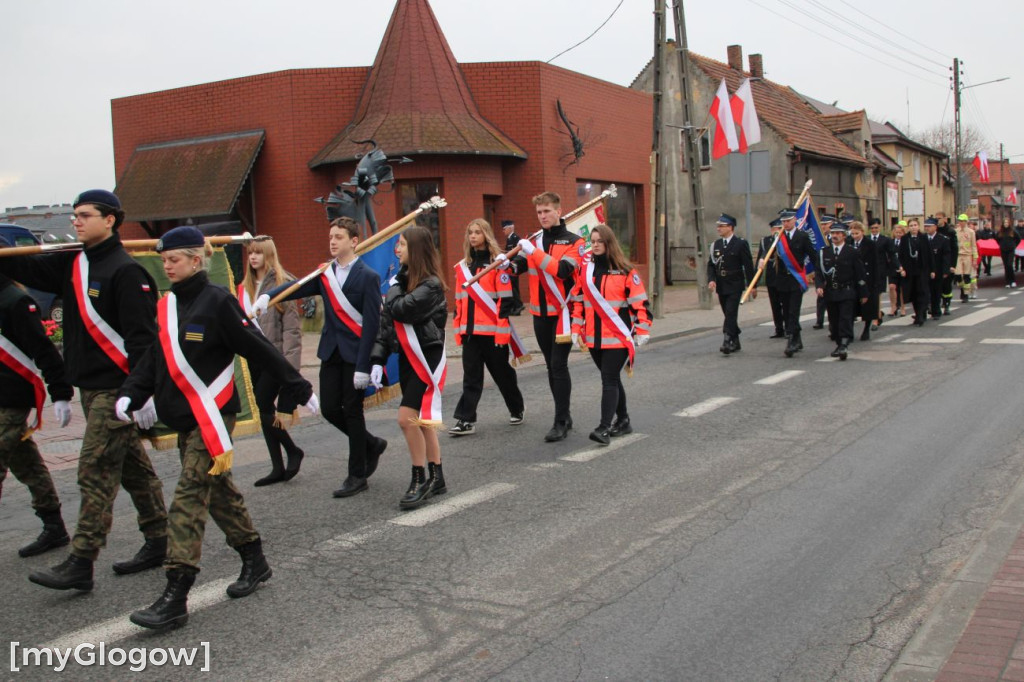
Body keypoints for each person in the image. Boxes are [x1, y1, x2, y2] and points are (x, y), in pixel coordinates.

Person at [116, 226, 317, 630]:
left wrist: (296, 385)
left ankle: (176, 593)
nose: (166, 266)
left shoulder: (218, 301)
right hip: (184, 417)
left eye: (174, 259)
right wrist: (132, 392)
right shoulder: (167, 307)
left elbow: (257, 346)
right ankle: (254, 558)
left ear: (196, 260)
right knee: (219, 492)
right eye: (164, 260)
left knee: (189, 497)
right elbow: (155, 358)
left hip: (214, 416)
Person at [4, 190, 168, 593]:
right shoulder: (74, 262)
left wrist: (142, 392)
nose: (75, 221)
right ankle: (160, 538)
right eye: (74, 215)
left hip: (117, 390)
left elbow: (144, 339)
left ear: (110, 220)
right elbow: (25, 267)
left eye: (84, 215)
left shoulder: (126, 272)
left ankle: (81, 560)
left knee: (94, 470)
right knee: (133, 470)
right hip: (90, 389)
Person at [256, 216, 388, 498]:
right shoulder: (325, 273)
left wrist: (364, 365)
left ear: (354, 241)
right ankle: (371, 444)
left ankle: (357, 475)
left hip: (355, 355)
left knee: (352, 411)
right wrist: (270, 297)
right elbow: (298, 287)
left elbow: (371, 325)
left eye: (339, 237)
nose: (332, 242)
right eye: (331, 237)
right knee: (329, 409)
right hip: (331, 351)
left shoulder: (368, 276)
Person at [370, 226, 448, 510]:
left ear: (415, 249)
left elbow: (401, 309)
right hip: (407, 357)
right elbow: (386, 324)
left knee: (406, 419)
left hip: (426, 358)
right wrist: (377, 358)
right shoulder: (403, 282)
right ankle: (437, 475)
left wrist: (392, 288)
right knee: (421, 421)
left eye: (402, 244)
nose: (397, 250)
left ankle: (419, 477)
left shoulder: (431, 285)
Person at [0, 269, 74, 558]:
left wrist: (61, 391)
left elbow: (44, 350)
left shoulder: (15, 301)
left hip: (11, 396)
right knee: (26, 462)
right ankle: (54, 526)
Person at [508, 192, 584, 442]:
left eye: (547, 211)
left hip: (564, 313)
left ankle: (560, 421)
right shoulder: (534, 240)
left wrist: (534, 252)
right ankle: (565, 415)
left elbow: (562, 271)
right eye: (539, 212)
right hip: (539, 314)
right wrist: (507, 264)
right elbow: (519, 267)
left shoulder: (575, 242)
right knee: (552, 366)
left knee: (559, 365)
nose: (542, 216)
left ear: (558, 212)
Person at [570, 224, 651, 444]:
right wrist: (575, 329)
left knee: (608, 380)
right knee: (612, 378)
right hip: (593, 338)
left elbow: (640, 303)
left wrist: (643, 329)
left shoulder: (625, 270)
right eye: (593, 241)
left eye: (600, 241)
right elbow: (578, 302)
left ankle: (603, 428)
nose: (595, 245)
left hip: (617, 337)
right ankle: (623, 420)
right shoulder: (586, 271)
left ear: (609, 243)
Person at [450, 218, 525, 436]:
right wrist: (459, 329)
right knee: (471, 377)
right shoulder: (462, 267)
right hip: (470, 333)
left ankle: (516, 408)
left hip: (493, 333)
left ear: (486, 235)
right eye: (470, 232)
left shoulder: (497, 265)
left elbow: (505, 301)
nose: (473, 236)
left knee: (502, 374)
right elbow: (459, 302)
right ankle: (466, 419)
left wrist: (502, 334)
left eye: (477, 232)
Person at [238, 239, 304, 486]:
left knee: (262, 403)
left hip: (275, 357)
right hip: (253, 357)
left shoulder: (282, 284)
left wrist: (290, 367)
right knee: (264, 409)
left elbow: (292, 330)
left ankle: (293, 451)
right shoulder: (243, 287)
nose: (253, 257)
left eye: (259, 253)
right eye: (250, 253)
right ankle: (277, 466)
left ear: (269, 255)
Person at [815, 222, 867, 360]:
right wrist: (819, 286)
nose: (835, 236)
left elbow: (860, 273)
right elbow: (819, 272)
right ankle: (839, 343)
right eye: (833, 233)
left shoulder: (852, 252)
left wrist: (863, 292)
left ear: (844, 236)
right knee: (834, 320)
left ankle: (844, 343)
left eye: (838, 233)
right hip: (831, 291)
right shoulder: (824, 252)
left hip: (847, 290)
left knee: (845, 318)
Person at [706, 214, 755, 354]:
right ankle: (736, 340)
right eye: (718, 226)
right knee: (728, 314)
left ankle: (727, 340)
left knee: (731, 312)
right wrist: (711, 279)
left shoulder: (740, 243)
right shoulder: (716, 245)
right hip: (722, 284)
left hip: (735, 283)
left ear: (730, 227)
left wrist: (752, 285)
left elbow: (748, 265)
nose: (718, 229)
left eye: (722, 226)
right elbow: (711, 265)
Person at [772, 208, 817, 357]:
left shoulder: (802, 236)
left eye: (788, 221)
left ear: (795, 220)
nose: (785, 224)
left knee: (793, 311)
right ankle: (797, 339)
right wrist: (762, 260)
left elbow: (813, 255)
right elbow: (769, 253)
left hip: (796, 279)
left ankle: (791, 340)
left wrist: (818, 275)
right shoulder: (779, 237)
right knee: (786, 311)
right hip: (782, 280)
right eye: (783, 221)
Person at [896, 218, 933, 326]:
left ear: (918, 226)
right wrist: (901, 268)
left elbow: (929, 254)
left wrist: (932, 270)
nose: (913, 227)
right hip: (910, 270)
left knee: (922, 292)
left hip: (922, 270)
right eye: (911, 225)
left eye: (915, 225)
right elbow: (901, 255)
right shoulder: (905, 239)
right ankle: (917, 313)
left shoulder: (924, 238)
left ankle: (921, 314)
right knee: (913, 293)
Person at [848, 221, 879, 341]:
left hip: (867, 278)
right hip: (852, 279)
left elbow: (875, 263)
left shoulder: (870, 244)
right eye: (852, 234)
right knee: (851, 307)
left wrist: (875, 281)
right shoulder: (849, 243)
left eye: (857, 233)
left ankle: (866, 329)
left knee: (868, 307)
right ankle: (849, 331)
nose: (854, 236)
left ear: (862, 232)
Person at [756, 218, 786, 338]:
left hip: (784, 278)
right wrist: (754, 284)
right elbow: (759, 261)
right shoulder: (766, 241)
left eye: (779, 229)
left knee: (786, 305)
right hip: (772, 279)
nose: (777, 231)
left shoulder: (786, 241)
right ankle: (779, 329)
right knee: (775, 305)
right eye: (774, 229)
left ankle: (789, 328)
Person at [868, 218, 898, 321]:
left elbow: (892, 255)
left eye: (876, 228)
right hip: (868, 270)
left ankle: (876, 317)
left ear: (880, 227)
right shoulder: (866, 239)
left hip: (881, 270)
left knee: (878, 294)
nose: (874, 230)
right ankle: (878, 313)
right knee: (870, 295)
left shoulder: (886, 240)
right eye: (872, 228)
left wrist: (898, 266)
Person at [812, 214, 836, 330]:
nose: (823, 227)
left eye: (826, 224)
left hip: (834, 273)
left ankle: (833, 323)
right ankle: (819, 320)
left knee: (833, 301)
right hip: (822, 271)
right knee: (821, 297)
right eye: (822, 225)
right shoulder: (818, 240)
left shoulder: (836, 239)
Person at [501, 220, 524, 315]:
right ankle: (516, 307)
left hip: (513, 266)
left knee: (513, 287)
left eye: (504, 229)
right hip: (509, 266)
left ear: (510, 228)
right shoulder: (509, 239)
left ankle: (518, 305)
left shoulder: (515, 238)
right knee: (512, 287)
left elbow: (515, 253)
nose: (503, 231)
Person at [953, 215, 978, 302]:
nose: (961, 222)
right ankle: (962, 289)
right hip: (958, 255)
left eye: (963, 221)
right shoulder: (955, 231)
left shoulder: (971, 232)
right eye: (960, 221)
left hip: (967, 255)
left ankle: (965, 294)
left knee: (967, 275)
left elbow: (974, 246)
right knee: (958, 275)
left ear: (966, 222)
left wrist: (975, 259)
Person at [889, 223, 907, 317]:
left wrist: (903, 268)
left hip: (903, 268)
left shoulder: (906, 243)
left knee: (902, 288)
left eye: (900, 232)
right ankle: (893, 306)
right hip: (892, 268)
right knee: (892, 287)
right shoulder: (890, 242)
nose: (898, 234)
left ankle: (903, 307)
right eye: (897, 232)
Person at [997, 217, 1018, 288]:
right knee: (1006, 266)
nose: (1006, 224)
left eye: (1007, 222)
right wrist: (1001, 245)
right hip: (1003, 250)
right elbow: (997, 239)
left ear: (1009, 223)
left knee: (1009, 265)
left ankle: (1013, 281)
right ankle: (1008, 282)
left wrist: (1014, 245)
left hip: (1011, 250)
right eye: (1005, 223)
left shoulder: (1012, 231)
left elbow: (1018, 239)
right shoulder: (1000, 232)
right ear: (1003, 224)